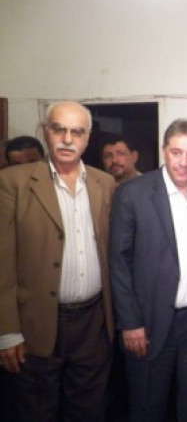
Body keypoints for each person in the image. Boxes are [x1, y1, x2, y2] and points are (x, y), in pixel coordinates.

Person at [0, 101, 115, 421]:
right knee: (36, 410)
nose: (67, 139)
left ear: (87, 139)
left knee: (89, 410)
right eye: (59, 129)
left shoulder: (104, 183)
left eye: (77, 132)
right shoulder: (13, 182)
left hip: (93, 322)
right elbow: (2, 262)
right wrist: (7, 331)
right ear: (45, 131)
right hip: (36, 323)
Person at [109, 118, 187, 422]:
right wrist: (130, 322)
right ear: (164, 150)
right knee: (149, 404)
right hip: (149, 321)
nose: (183, 162)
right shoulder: (132, 193)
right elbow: (118, 261)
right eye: (176, 152)